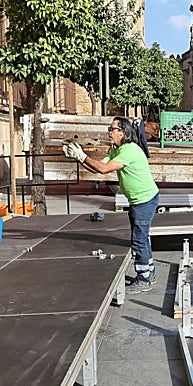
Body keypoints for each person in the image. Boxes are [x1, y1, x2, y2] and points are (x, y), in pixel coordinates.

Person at [63, 117, 160, 292]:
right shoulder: (118, 150)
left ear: (122, 132)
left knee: (139, 240)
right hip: (139, 200)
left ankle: (144, 278)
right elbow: (98, 168)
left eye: (112, 129)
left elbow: (103, 169)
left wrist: (82, 155)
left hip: (144, 201)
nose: (109, 132)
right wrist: (79, 158)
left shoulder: (129, 150)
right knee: (142, 237)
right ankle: (148, 272)